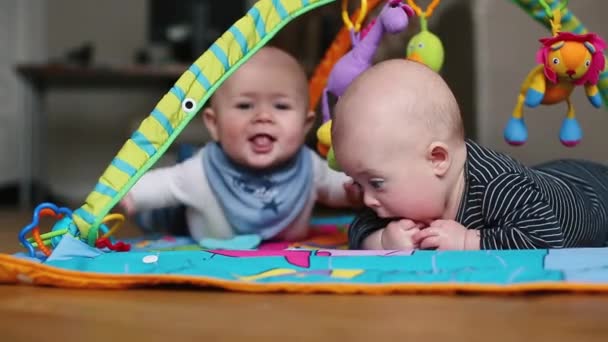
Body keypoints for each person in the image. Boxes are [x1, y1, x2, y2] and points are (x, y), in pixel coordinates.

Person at [331, 59, 608, 250]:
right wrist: (381, 241)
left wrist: (470, 241)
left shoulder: (500, 185)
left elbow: (545, 238)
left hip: (592, 191)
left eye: (376, 182)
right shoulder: (393, 196)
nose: (367, 199)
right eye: (358, 183)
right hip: (546, 175)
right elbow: (359, 228)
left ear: (437, 160)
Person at [120, 46, 361, 243]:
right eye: (245, 106)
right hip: (190, 219)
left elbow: (334, 187)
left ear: (305, 125)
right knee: (163, 216)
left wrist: (353, 191)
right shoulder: (202, 170)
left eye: (281, 106)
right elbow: (164, 184)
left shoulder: (308, 166)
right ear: (214, 124)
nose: (263, 116)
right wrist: (130, 195)